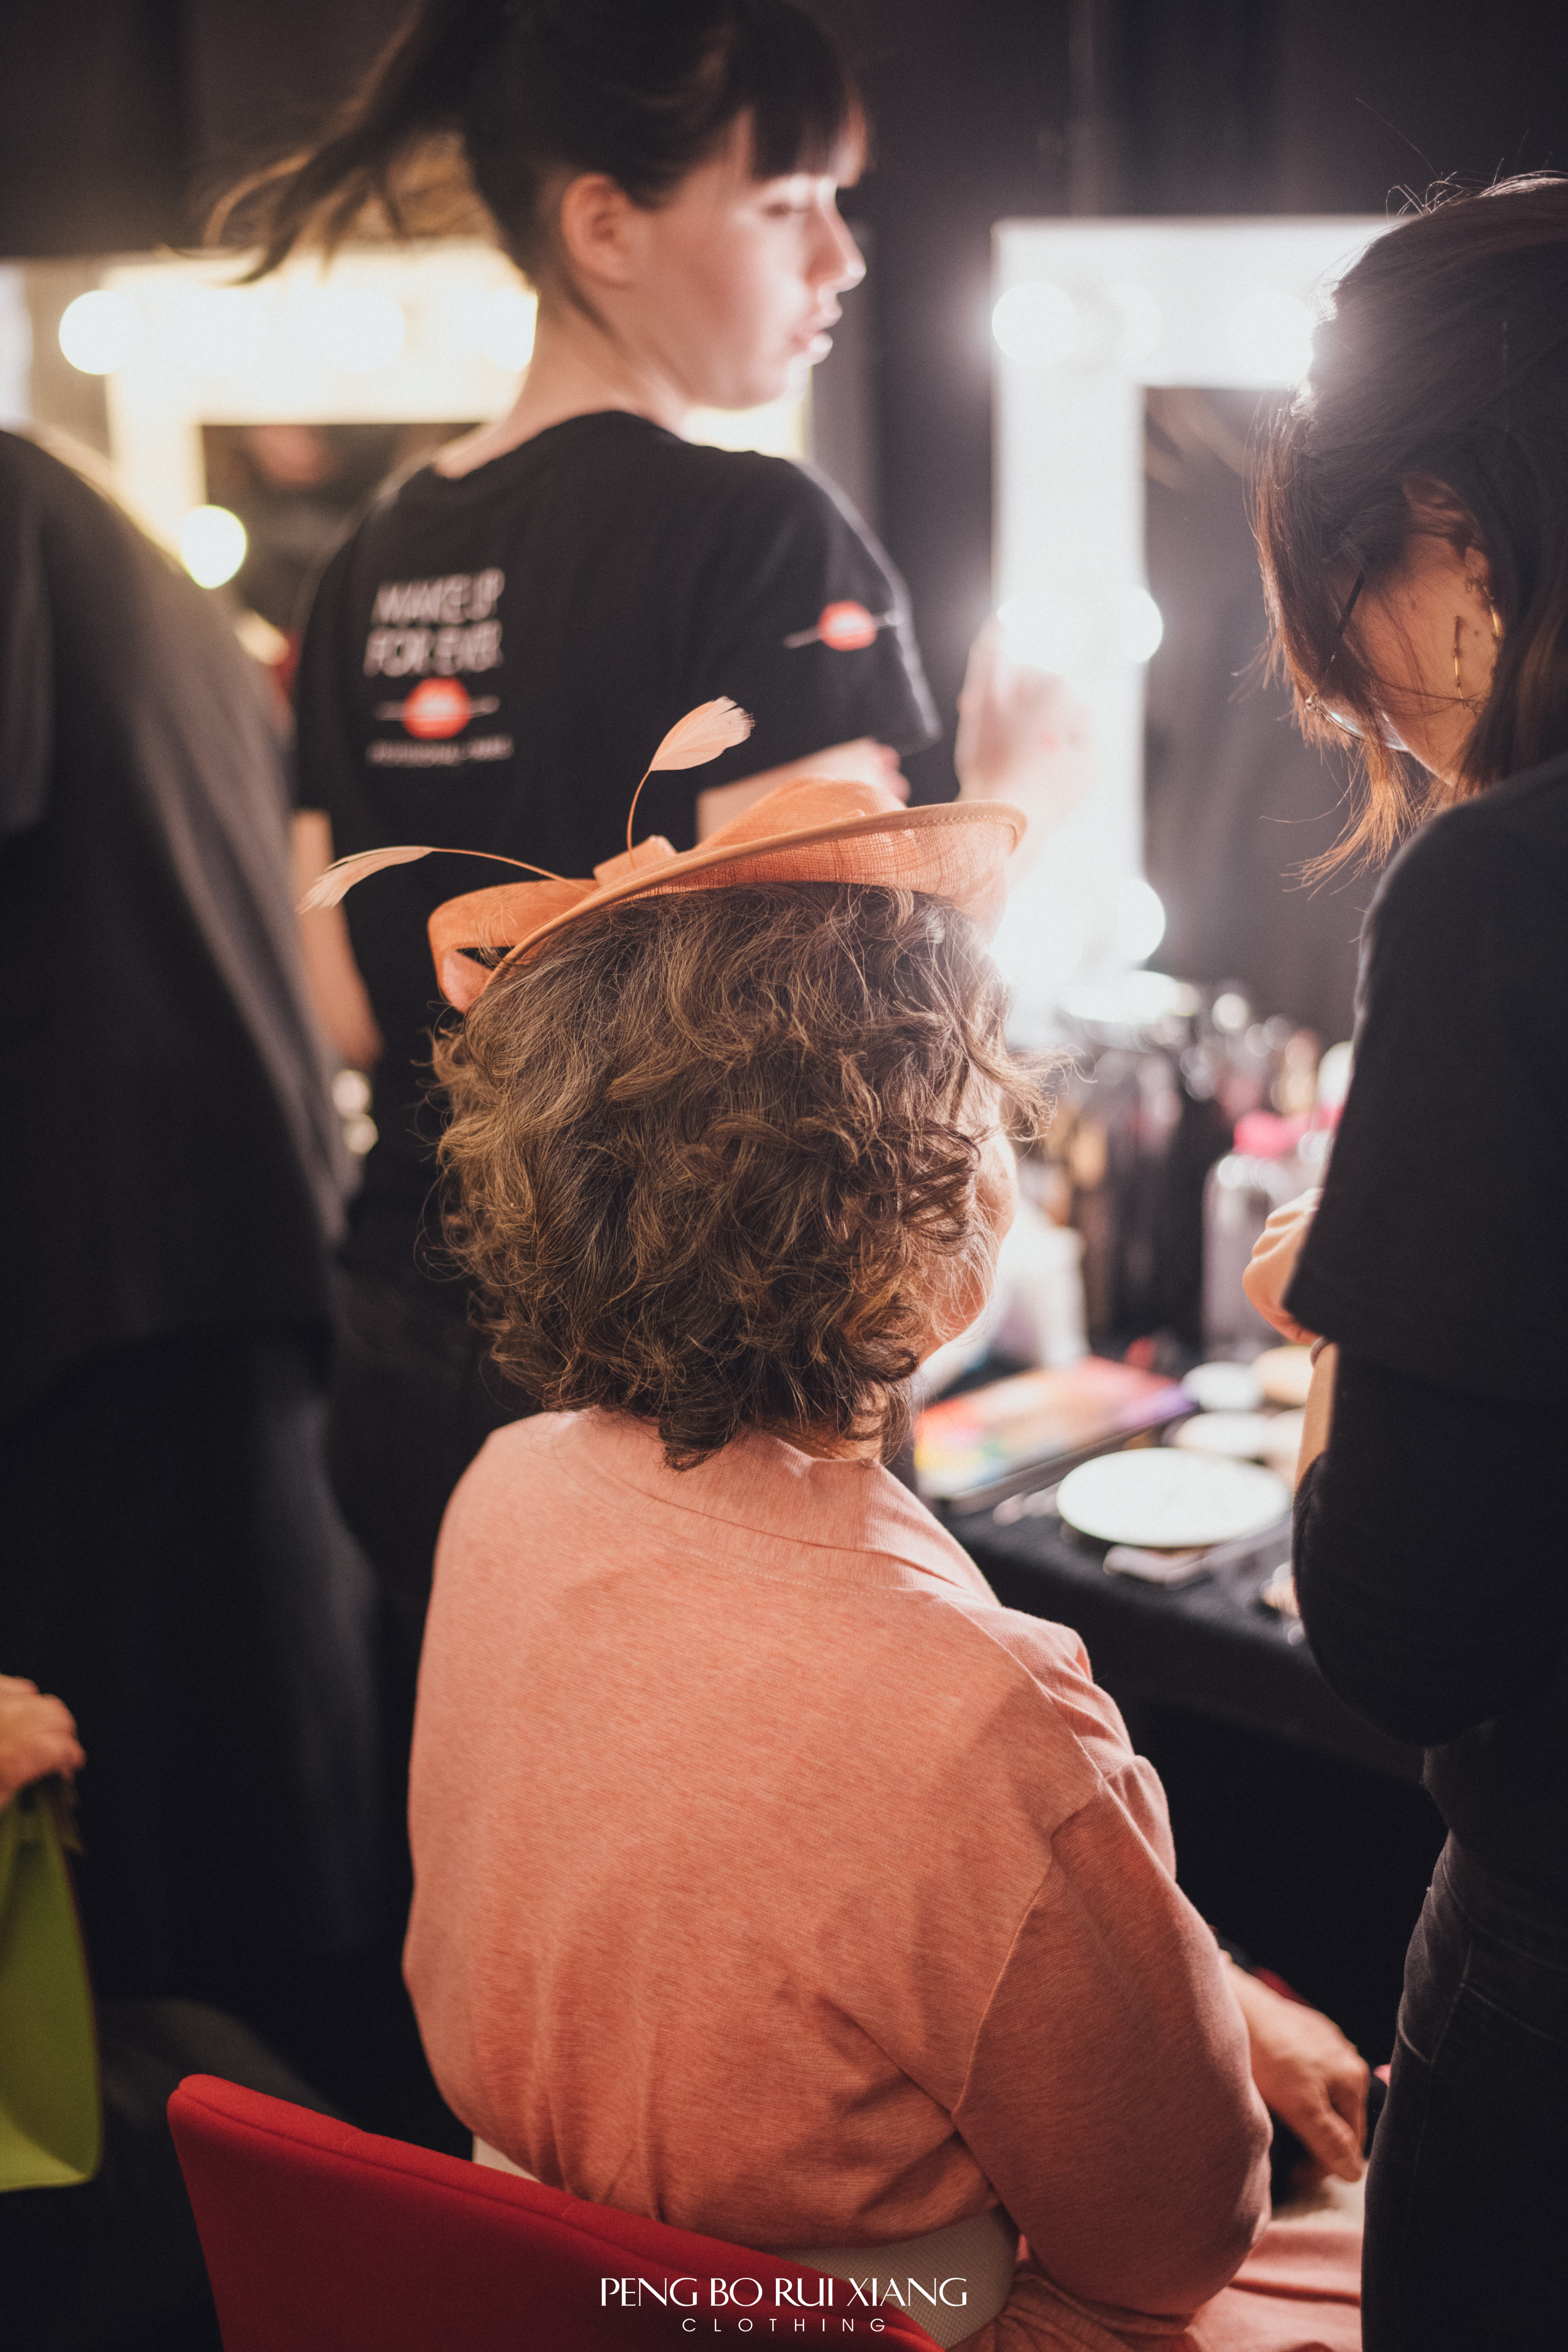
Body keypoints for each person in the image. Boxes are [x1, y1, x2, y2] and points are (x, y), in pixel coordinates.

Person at [382, 759, 1365, 2351]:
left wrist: (1207, 1998)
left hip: (535, 2292)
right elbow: (1177, 2239)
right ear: (914, 1216)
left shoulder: (505, 1492)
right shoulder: (980, 1713)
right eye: (986, 1115)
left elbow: (770, 1913)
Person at [234, 0, 1091, 1761]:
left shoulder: (370, 562)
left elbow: (340, 1000)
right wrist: (1020, 802)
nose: (843, 255)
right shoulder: (760, 531)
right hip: (678, 1380)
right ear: (604, 225)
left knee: (496, 1859)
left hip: (396, 1338)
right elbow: (829, 1031)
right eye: (787, 204)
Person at [1243, 176, 1568, 2352]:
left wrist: (1344, 1322)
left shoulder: (1502, 893)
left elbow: (1400, 1627)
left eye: (1349, 631)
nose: (1389, 723)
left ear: (1447, 535)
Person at [0, 430, 378, 2071]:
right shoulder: (92, 532)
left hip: (114, 1292)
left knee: (134, 1934)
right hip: (205, 1259)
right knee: (257, 1836)